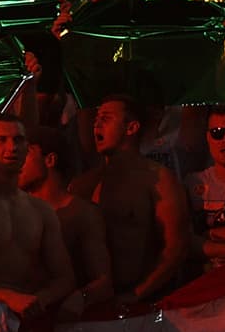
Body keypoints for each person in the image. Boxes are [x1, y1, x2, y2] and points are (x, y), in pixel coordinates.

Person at [71, 95, 191, 303]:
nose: (97, 124)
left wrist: (137, 295)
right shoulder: (83, 185)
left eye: (106, 118)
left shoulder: (159, 180)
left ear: (131, 128)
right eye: (96, 118)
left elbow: (176, 247)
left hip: (141, 303)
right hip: (88, 304)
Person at [0, 115, 75, 317]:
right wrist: (7, 297)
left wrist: (40, 300)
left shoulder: (41, 210)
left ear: (27, 147)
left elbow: (64, 277)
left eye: (18, 140)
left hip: (29, 315)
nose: (12, 147)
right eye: (1, 140)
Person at [20, 126, 113, 317]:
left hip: (63, 326)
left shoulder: (82, 213)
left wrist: (81, 297)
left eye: (26, 152)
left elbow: (104, 282)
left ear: (50, 160)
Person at [187, 104, 225, 266]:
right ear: (208, 137)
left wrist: (211, 234)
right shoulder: (192, 184)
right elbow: (186, 242)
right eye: (217, 133)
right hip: (210, 283)